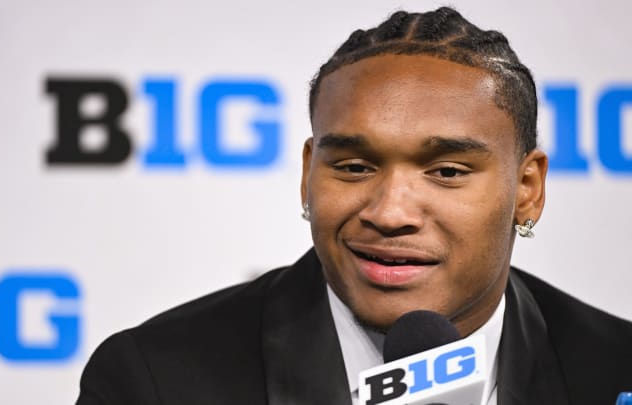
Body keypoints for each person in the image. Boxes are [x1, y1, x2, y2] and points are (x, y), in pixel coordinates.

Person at [76, 7, 632, 405]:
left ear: (527, 188)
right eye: (354, 167)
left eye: (446, 172)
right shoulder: (153, 381)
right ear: (307, 174)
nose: (390, 213)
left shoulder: (615, 369)